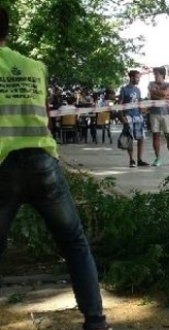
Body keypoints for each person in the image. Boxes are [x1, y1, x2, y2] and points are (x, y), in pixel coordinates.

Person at [0, 7, 111, 330]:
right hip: (42, 164)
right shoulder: (34, 67)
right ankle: (95, 321)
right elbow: (46, 116)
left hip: (2, 169)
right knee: (75, 243)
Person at [147, 67, 169, 167]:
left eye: (157, 74)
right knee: (156, 136)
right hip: (154, 113)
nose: (155, 76)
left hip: (166, 113)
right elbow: (154, 97)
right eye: (154, 74)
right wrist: (166, 96)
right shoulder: (151, 84)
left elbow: (164, 93)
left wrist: (160, 94)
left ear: (162, 75)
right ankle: (157, 158)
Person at [118, 70, 148, 168]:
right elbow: (120, 104)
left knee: (141, 138)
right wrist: (122, 117)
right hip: (128, 116)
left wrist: (142, 114)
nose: (138, 79)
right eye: (137, 77)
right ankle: (131, 160)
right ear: (131, 77)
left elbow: (139, 103)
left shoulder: (138, 90)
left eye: (139, 77)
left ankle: (140, 159)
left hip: (137, 115)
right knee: (129, 138)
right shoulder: (124, 89)